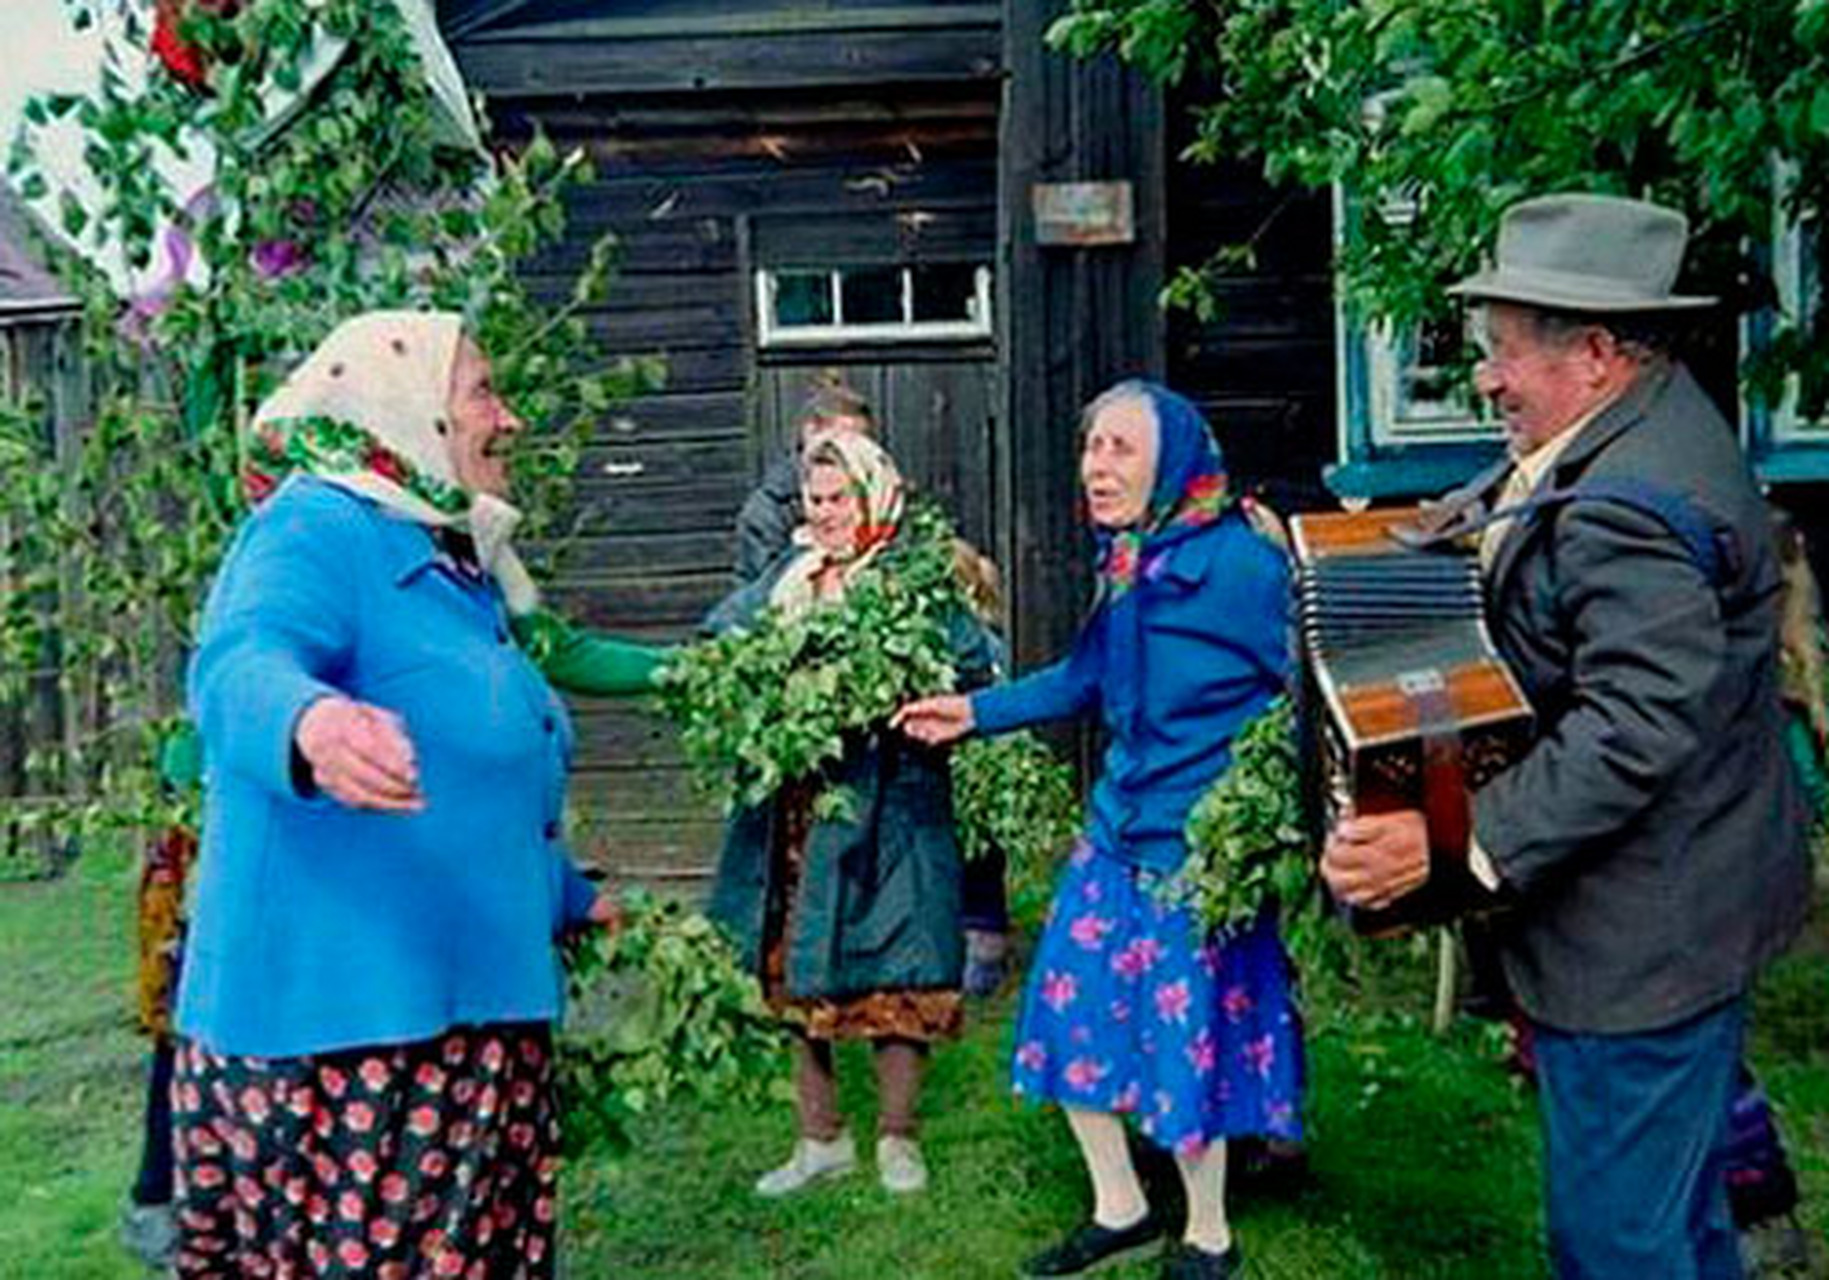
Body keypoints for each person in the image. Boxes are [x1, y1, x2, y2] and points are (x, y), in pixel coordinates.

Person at [1320, 194, 1811, 1280]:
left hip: (1638, 938)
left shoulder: (1630, 501)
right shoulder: (1650, 416)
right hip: (1699, 895)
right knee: (1673, 1219)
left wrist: (1452, 845)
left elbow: (1635, 726)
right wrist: (1412, 535)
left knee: (1615, 1242)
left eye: (1501, 352)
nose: (1485, 376)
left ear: (1593, 352)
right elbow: (1523, 495)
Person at [170, 311, 635, 1278]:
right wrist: (309, 725)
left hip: (461, 1025)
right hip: (352, 1044)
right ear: (405, 411)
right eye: (480, 392)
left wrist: (571, 898)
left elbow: (477, 780)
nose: (507, 418)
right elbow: (237, 662)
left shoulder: (457, 568)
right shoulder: (315, 527)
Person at [897, 380, 1301, 1280]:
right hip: (1117, 828)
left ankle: (1207, 1232)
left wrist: (1274, 813)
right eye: (1091, 447)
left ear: (1172, 458)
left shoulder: (1241, 564)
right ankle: (1119, 1208)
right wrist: (974, 710)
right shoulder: (1129, 558)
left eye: (1119, 447)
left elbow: (1306, 692)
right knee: (1070, 1006)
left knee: (1181, 1032)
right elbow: (1083, 675)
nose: (1096, 465)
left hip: (1201, 848)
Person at [705, 431, 993, 1199]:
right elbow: (720, 633)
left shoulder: (910, 578)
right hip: (798, 806)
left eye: (837, 499)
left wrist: (899, 681)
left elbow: (976, 660)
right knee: (797, 960)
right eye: (814, 500)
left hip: (889, 801)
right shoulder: (792, 574)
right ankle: (819, 1137)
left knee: (898, 954)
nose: (825, 514)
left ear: (872, 494)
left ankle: (898, 1139)